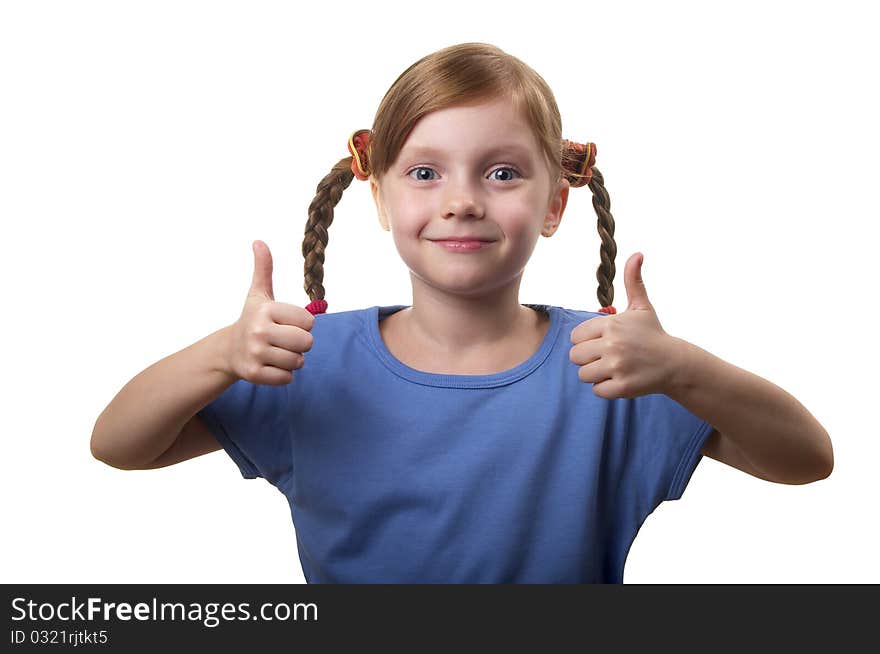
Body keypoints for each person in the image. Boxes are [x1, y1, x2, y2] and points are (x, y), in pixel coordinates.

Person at [91, 42, 833, 583]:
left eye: (503, 172)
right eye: (424, 172)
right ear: (380, 197)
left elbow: (807, 460)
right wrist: (220, 353)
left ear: (553, 204)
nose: (462, 199)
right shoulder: (308, 360)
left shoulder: (616, 367)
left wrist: (686, 368)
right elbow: (120, 444)